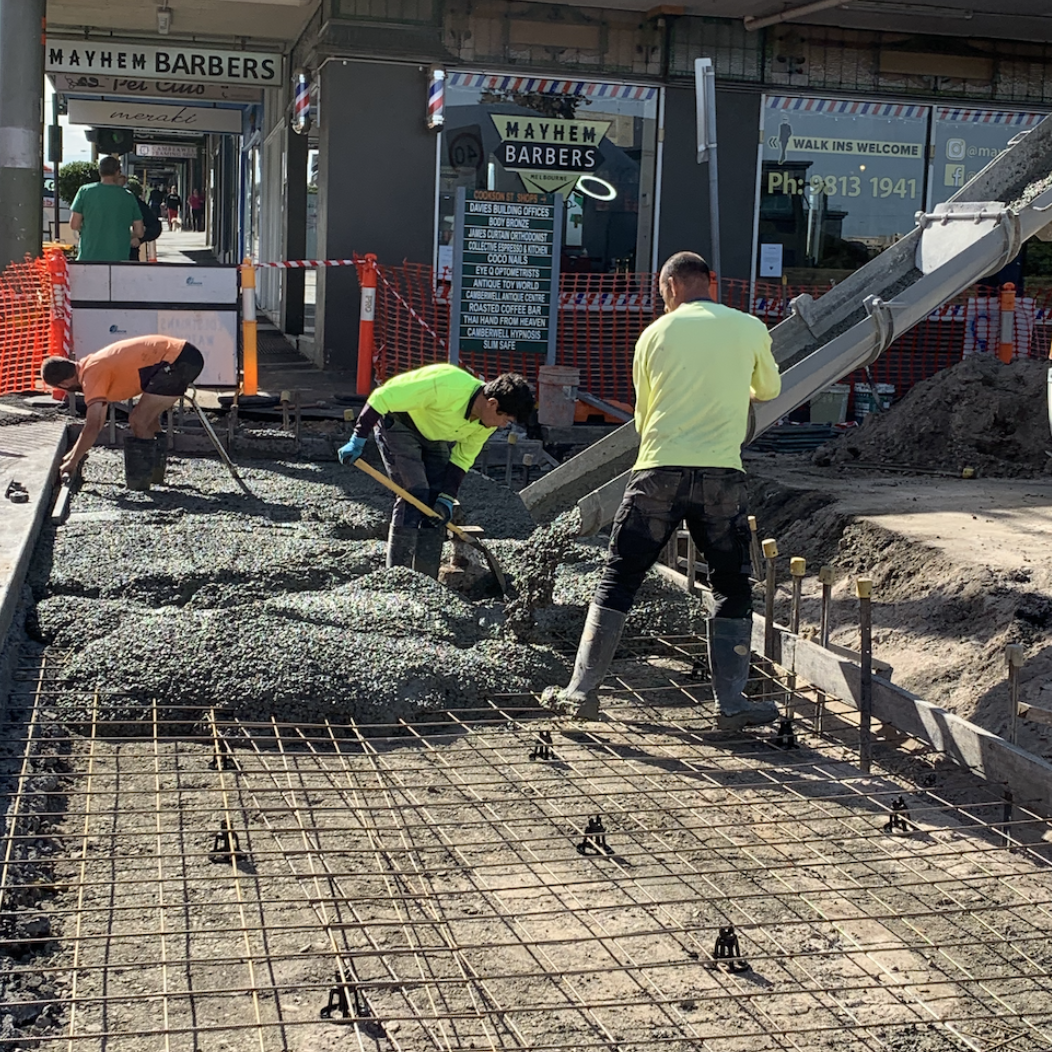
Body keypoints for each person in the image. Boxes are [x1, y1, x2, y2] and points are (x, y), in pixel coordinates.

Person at [542, 251, 782, 730]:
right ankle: (732, 705)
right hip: (720, 475)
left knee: (619, 576)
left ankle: (581, 691)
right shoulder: (750, 327)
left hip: (658, 473)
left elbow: (642, 416)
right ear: (710, 281)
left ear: (669, 287)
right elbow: (769, 390)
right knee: (731, 585)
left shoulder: (653, 335)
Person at [337, 363, 534, 578]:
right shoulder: (448, 386)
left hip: (433, 434)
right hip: (400, 421)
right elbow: (382, 397)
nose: (504, 426)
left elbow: (462, 459)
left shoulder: (484, 423)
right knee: (415, 493)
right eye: (506, 420)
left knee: (435, 505)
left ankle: (426, 578)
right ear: (492, 404)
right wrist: (358, 438)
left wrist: (447, 498)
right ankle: (396, 575)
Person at [41, 337, 205, 492]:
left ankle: (146, 479)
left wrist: (72, 462)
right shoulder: (91, 366)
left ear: (64, 383)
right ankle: (155, 475)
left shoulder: (91, 374)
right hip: (182, 355)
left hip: (177, 360)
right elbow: (97, 423)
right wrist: (72, 455)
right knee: (148, 419)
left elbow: (92, 425)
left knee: (138, 420)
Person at [69, 156, 144, 263]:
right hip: (119, 259)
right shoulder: (128, 196)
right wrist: (123, 233)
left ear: (100, 171)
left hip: (88, 258)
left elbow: (74, 225)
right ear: (117, 173)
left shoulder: (85, 191)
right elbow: (139, 231)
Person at [118, 175, 162, 261]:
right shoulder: (131, 199)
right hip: (122, 257)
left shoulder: (131, 199)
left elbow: (155, 226)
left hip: (126, 257)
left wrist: (140, 238)